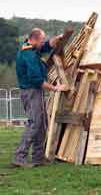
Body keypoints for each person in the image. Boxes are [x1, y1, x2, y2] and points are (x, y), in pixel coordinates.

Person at [13, 28, 68, 168]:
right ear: (35, 39)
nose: (43, 43)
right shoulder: (29, 56)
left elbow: (45, 47)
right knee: (34, 123)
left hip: (35, 91)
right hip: (31, 92)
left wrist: (56, 39)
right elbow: (37, 80)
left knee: (42, 123)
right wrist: (56, 88)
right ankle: (20, 157)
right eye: (42, 40)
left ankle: (38, 157)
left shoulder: (31, 48)